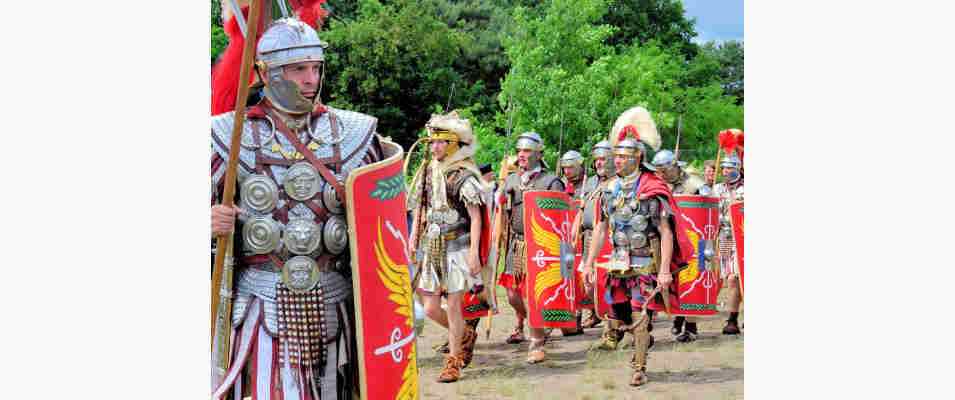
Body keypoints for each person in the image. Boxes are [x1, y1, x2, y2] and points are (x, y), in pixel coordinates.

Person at [210, 16, 391, 399]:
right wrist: (209, 221)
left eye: (315, 68)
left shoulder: (355, 134)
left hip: (336, 300)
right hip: (263, 300)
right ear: (267, 72)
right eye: (298, 70)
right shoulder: (231, 134)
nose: (310, 79)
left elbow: (384, 224)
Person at [581, 107, 693, 387]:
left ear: (637, 157)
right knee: (618, 314)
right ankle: (641, 340)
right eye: (614, 156)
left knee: (639, 313)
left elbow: (667, 232)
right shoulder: (608, 190)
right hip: (618, 262)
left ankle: (639, 366)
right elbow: (601, 227)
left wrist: (665, 270)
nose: (615, 162)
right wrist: (588, 261)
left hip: (647, 262)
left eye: (622, 157)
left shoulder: (654, 188)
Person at [407, 111, 487, 382]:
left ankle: (453, 362)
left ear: (453, 144)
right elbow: (420, 208)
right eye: (432, 142)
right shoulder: (428, 172)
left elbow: (476, 217)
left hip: (458, 246)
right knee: (429, 307)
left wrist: (474, 252)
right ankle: (464, 334)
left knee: (453, 304)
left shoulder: (464, 175)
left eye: (440, 142)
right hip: (432, 245)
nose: (434, 147)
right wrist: (412, 240)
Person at [496, 132, 565, 363]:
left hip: (540, 245)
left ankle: (536, 342)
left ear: (538, 154)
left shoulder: (551, 181)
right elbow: (502, 211)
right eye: (519, 151)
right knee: (513, 295)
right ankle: (539, 323)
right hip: (516, 243)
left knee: (532, 295)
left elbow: (559, 217)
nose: (521, 155)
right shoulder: (512, 180)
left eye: (526, 151)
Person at [651, 149, 705, 342]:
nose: (662, 174)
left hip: (691, 240)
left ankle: (690, 325)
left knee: (690, 279)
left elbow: (707, 209)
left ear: (675, 166)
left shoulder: (695, 184)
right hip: (668, 239)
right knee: (672, 280)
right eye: (659, 171)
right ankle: (677, 315)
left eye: (665, 170)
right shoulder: (659, 185)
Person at [570, 141, 614, 329]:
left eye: (603, 159)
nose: (599, 163)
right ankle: (604, 315)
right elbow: (581, 209)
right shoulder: (590, 182)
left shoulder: (617, 183)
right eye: (596, 160)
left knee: (607, 283)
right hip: (588, 238)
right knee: (588, 285)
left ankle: (613, 322)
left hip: (608, 239)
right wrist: (574, 229)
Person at [557, 150, 587, 336]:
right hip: (565, 236)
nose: (567, 171)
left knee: (582, 278)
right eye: (565, 168)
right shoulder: (560, 187)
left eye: (571, 167)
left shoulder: (588, 186)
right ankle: (570, 317)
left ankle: (583, 314)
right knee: (567, 275)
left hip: (585, 237)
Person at [714, 154, 744, 335]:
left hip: (741, 236)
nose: (725, 171)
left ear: (737, 168)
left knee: (735, 278)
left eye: (729, 168)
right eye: (723, 168)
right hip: (723, 237)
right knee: (724, 277)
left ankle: (732, 319)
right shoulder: (716, 189)